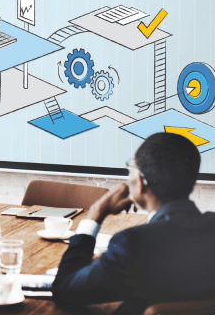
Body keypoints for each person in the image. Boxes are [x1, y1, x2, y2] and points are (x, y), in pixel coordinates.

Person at [52, 132, 215, 314]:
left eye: (132, 167)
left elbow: (65, 290)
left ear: (139, 180)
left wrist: (95, 213)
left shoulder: (133, 243)